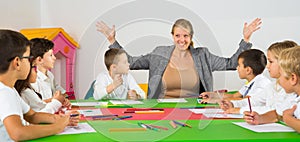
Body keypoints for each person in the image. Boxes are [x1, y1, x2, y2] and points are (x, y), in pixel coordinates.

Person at [96, 18, 262, 99]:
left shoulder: (202, 55)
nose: (181, 40)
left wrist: (245, 40)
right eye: (177, 35)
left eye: (185, 36)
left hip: (196, 109)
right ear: (172, 36)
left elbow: (231, 64)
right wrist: (112, 41)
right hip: (161, 110)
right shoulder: (159, 54)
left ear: (191, 37)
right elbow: (130, 62)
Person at [0, 29, 78, 141]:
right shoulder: (4, 92)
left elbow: (33, 116)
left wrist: (59, 118)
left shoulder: (10, 90)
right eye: (28, 59)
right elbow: (18, 133)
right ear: (17, 63)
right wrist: (57, 127)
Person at [243, 43, 299, 126]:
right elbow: (278, 113)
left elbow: (284, 115)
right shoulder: (293, 97)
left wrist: (288, 119)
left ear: (293, 78)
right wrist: (260, 118)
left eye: (281, 74)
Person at [215, 49, 271, 114]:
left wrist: (224, 101)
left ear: (248, 70)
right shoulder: (251, 83)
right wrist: (213, 96)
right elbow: (234, 96)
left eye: (239, 65)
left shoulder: (261, 84)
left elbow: (249, 101)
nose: (237, 68)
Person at [30, 38, 66, 102]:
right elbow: (37, 104)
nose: (54, 58)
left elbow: (62, 92)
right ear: (39, 60)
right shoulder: (33, 79)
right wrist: (56, 100)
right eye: (51, 55)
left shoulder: (50, 75)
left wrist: (63, 99)